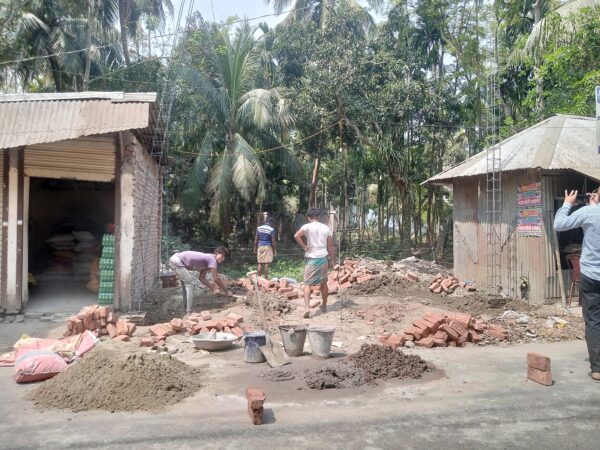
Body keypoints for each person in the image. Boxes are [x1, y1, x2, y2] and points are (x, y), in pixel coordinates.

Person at [554, 189, 600, 381]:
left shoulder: (589, 213)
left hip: (592, 275)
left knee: (594, 320)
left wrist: (567, 203)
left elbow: (559, 224)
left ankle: (597, 369)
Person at [294, 208, 335, 318]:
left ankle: (307, 308)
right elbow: (330, 246)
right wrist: (332, 260)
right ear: (319, 217)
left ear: (308, 217)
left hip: (311, 258)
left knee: (307, 283)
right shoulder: (326, 228)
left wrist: (304, 246)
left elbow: (296, 235)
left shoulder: (306, 227)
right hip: (323, 258)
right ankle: (324, 305)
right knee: (324, 283)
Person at [169, 247, 232, 313]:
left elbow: (202, 278)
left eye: (224, 257)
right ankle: (189, 311)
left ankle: (186, 309)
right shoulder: (212, 259)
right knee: (189, 283)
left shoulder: (208, 260)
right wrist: (227, 292)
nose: (223, 259)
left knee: (186, 285)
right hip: (177, 261)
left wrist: (213, 288)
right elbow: (216, 279)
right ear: (217, 253)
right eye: (222, 256)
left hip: (176, 260)